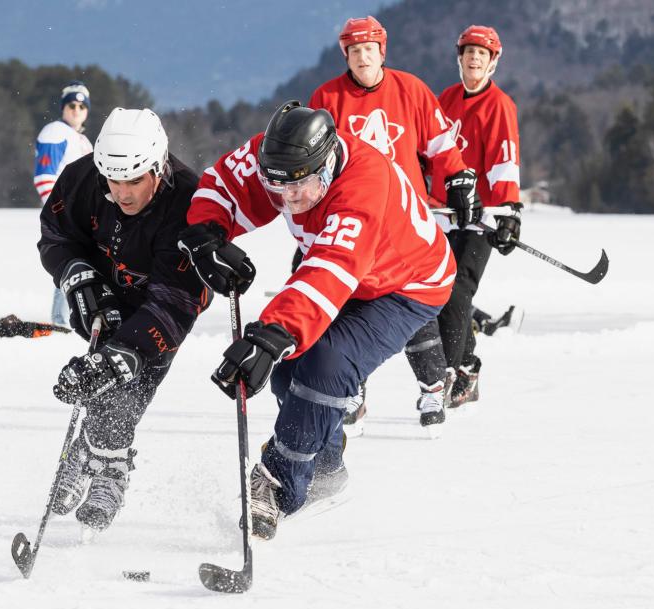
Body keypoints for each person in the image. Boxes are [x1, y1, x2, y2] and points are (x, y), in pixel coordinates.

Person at [178, 101, 455, 539]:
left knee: (325, 365)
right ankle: (326, 471)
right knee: (290, 374)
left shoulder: (362, 187)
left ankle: (277, 483)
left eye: (301, 186)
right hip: (347, 271)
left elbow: (330, 272)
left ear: (326, 164)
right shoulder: (282, 155)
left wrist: (272, 335)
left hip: (406, 283)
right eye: (277, 187)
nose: (289, 198)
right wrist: (207, 234)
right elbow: (225, 184)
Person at [37, 107, 210, 532]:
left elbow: (176, 300)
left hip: (162, 305)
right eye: (114, 180)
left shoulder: (188, 200)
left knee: (127, 382)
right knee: (100, 375)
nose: (123, 192)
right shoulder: (84, 177)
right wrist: (77, 279)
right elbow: (55, 235)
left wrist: (125, 354)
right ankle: (89, 449)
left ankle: (109, 467)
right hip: (104, 289)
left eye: (134, 180)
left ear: (159, 166)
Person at [309, 15, 480, 440]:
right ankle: (352, 392)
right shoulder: (327, 96)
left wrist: (457, 178)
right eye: (354, 51)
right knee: (343, 306)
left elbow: (441, 144)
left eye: (369, 49)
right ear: (345, 55)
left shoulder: (411, 89)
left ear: (382, 52)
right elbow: (311, 158)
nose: (362, 58)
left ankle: (433, 388)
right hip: (351, 218)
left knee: (407, 303)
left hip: (404, 220)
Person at [428, 25, 522, 407]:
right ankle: (468, 368)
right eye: (469, 53)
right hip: (442, 215)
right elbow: (427, 152)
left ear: (493, 62)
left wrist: (509, 213)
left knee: (457, 292)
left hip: (481, 218)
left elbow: (505, 159)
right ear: (460, 57)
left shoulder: (500, 105)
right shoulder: (444, 99)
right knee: (437, 294)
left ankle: (445, 378)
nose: (474, 59)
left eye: (482, 55)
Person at [35, 81, 94, 327]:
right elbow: (44, 176)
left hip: (85, 215)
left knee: (83, 264)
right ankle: (60, 322)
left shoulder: (82, 140)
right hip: (67, 215)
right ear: (63, 107)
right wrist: (59, 215)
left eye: (82, 106)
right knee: (69, 263)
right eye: (72, 104)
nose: (77, 110)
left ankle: (77, 319)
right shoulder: (55, 132)